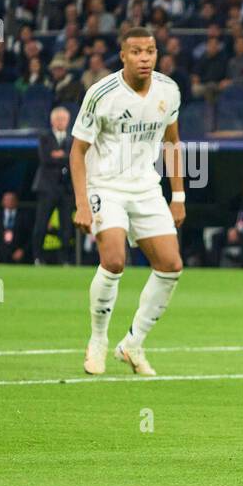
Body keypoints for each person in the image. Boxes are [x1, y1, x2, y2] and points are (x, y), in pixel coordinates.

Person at [71, 26, 185, 377]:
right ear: (122, 55)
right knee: (115, 260)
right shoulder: (101, 94)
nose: (144, 58)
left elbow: (172, 143)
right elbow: (77, 152)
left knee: (170, 266)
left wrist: (178, 195)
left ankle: (132, 344)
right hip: (106, 186)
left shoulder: (169, 91)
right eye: (136, 51)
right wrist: (82, 203)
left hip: (147, 188)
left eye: (150, 51)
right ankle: (99, 341)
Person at [31, 107, 76, 264]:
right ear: (52, 121)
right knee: (41, 224)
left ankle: (64, 259)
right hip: (47, 188)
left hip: (66, 189)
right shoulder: (44, 137)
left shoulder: (73, 139)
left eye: (63, 119)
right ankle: (37, 257)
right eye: (58, 119)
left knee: (66, 226)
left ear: (68, 121)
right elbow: (45, 159)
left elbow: (74, 161)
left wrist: (59, 156)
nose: (61, 122)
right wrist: (65, 157)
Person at [0, 191, 30, 265]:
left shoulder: (25, 217)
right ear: (2, 202)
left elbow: (30, 237)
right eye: (7, 199)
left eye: (12, 199)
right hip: (1, 257)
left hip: (20, 259)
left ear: (16, 201)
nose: (9, 202)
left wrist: (23, 250)